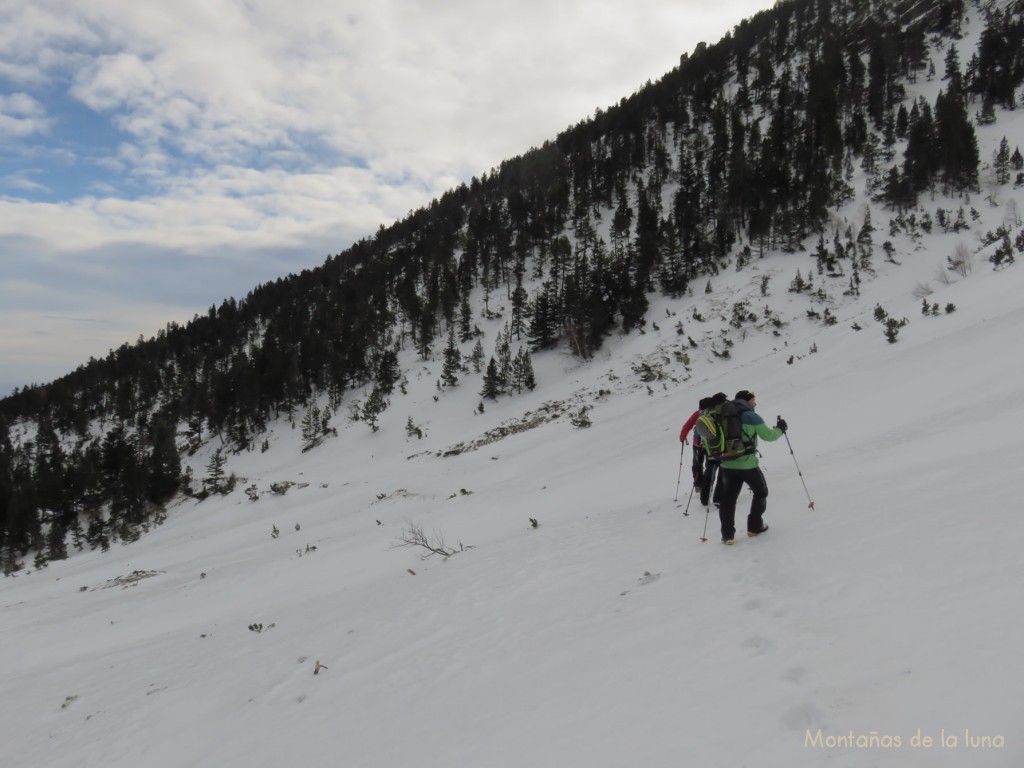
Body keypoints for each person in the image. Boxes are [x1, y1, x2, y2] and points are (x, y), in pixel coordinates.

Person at [718, 390, 787, 545]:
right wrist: (781, 428)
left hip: (726, 463)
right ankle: (754, 527)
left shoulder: (723, 414)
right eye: (753, 400)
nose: (755, 403)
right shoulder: (751, 416)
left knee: (728, 499)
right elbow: (769, 436)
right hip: (747, 464)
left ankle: (727, 535)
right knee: (761, 492)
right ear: (747, 401)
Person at [699, 392, 728, 508]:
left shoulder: (704, 415)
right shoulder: (717, 412)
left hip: (708, 448)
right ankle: (718, 497)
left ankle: (704, 499)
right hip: (720, 447)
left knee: (709, 472)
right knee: (722, 471)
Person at [679, 397, 711, 489]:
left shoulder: (698, 413)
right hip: (711, 444)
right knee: (710, 463)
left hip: (698, 444)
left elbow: (687, 425)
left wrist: (682, 437)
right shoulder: (712, 413)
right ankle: (709, 482)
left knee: (697, 464)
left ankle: (698, 485)